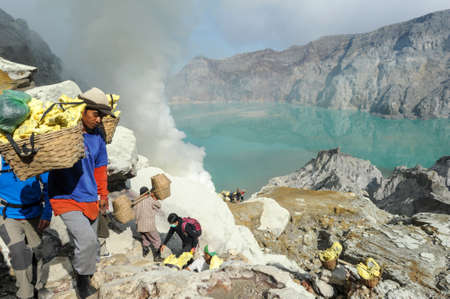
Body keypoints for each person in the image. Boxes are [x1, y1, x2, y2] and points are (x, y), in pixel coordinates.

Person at [48, 87, 115, 298]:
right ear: (83, 111)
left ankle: (85, 271)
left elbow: (100, 168)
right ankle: (82, 282)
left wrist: (103, 195)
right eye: (96, 114)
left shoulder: (98, 138)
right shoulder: (64, 134)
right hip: (64, 197)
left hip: (89, 197)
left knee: (90, 243)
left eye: (102, 116)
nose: (99, 120)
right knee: (87, 241)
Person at [0, 156, 52, 299]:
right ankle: (24, 294)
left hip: (35, 213)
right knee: (18, 252)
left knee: (38, 252)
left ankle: (38, 286)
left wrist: (47, 213)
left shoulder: (33, 156)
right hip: (7, 215)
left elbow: (49, 185)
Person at [134, 186, 161, 258]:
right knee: (157, 240)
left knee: (145, 238)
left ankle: (145, 251)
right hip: (149, 225)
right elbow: (159, 206)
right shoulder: (150, 199)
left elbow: (135, 214)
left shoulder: (137, 201)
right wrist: (154, 198)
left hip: (139, 226)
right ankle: (157, 257)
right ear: (147, 193)